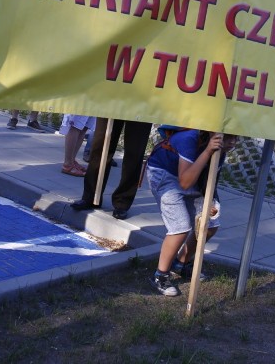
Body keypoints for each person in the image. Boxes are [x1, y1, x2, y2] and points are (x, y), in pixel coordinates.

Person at [145, 128, 237, 296]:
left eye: (236, 137)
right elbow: (185, 182)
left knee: (210, 224)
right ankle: (160, 275)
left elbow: (209, 179)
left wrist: (210, 202)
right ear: (211, 134)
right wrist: (208, 151)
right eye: (229, 136)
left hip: (191, 177)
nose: (233, 142)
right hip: (165, 175)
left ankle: (180, 263)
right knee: (180, 227)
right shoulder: (189, 140)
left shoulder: (221, 151)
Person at [70, 118, 152, 220]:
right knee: (100, 145)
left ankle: (122, 202)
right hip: (112, 104)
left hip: (142, 106)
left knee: (134, 152)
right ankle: (91, 196)